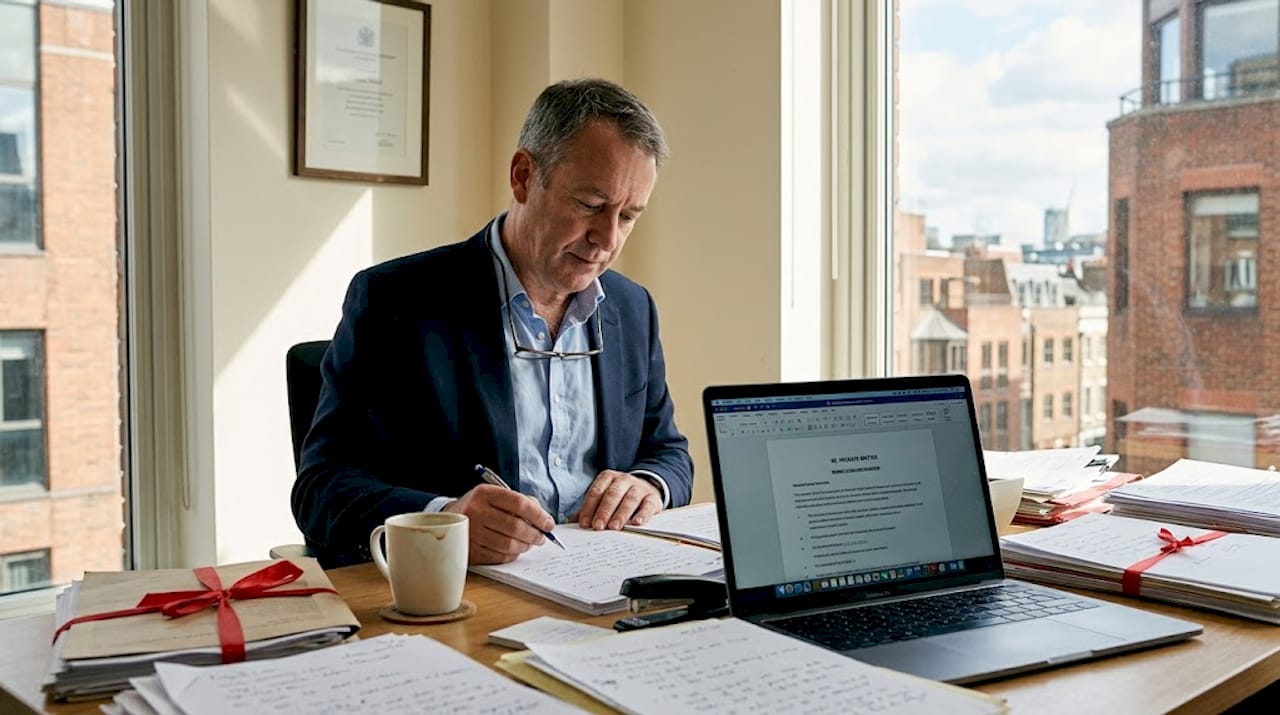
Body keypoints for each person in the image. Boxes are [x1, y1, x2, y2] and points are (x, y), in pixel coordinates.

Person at [292, 78, 693, 568]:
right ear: (523, 176)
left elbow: (669, 452)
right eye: (591, 206)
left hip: (607, 584)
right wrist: (445, 519)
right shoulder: (395, 301)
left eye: (628, 216)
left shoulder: (632, 309)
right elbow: (321, 488)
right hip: (468, 594)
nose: (607, 239)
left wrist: (648, 484)